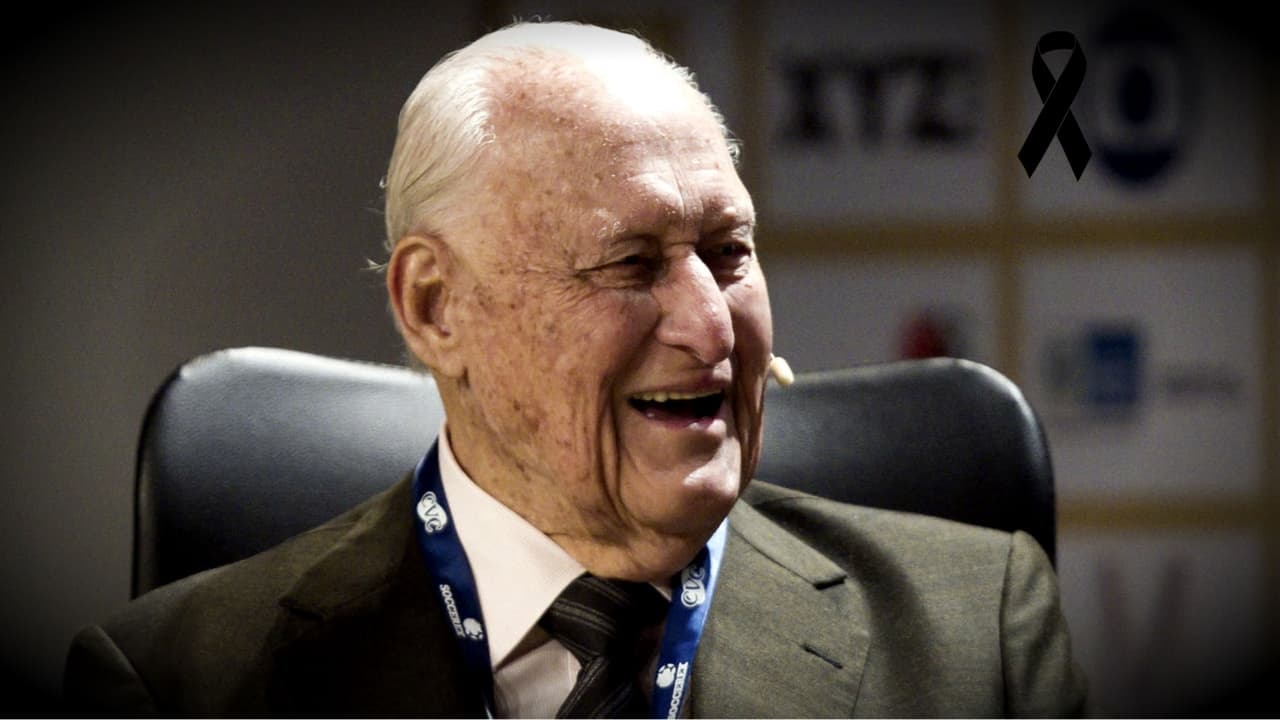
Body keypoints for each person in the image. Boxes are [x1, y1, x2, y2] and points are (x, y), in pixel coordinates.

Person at [63, 20, 1093, 717]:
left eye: (729, 253)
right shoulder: (174, 685)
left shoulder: (980, 637)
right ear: (436, 307)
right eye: (630, 264)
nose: (713, 326)